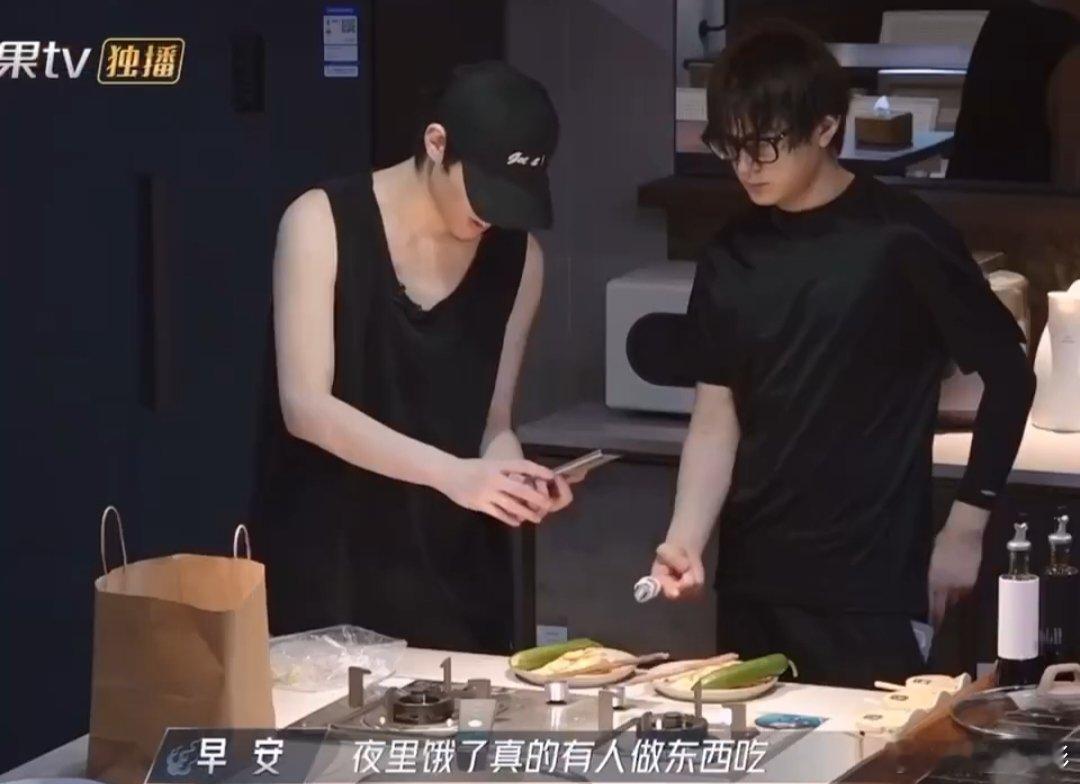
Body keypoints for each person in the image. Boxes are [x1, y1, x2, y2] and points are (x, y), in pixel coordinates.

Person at [649, 23, 1036, 688]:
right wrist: (686, 536)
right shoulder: (731, 253)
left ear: (826, 127)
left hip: (871, 586)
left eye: (764, 144)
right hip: (754, 582)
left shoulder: (902, 238)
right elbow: (716, 414)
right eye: (730, 146)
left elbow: (1010, 377)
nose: (746, 166)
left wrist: (967, 526)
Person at [253, 62, 575, 654]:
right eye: (483, 191)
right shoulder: (321, 222)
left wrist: (511, 478)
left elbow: (492, 421)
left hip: (454, 575)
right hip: (331, 563)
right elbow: (306, 407)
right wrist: (454, 475)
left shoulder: (519, 259)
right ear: (436, 143)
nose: (492, 216)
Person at [949, 0, 1080, 186]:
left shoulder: (1005, 21)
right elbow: (1070, 182)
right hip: (1028, 201)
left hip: (967, 198)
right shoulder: (1068, 50)